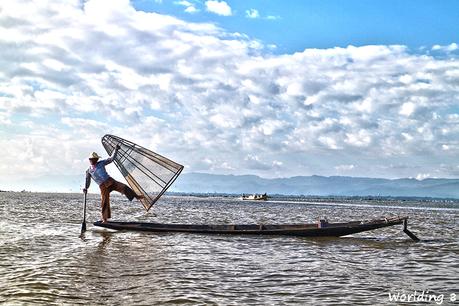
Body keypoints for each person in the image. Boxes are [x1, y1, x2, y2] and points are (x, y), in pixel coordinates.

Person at [83, 145, 143, 223]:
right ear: (90, 160)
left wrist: (116, 150)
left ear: (97, 159)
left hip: (110, 181)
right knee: (104, 201)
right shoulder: (88, 171)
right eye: (91, 159)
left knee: (124, 187)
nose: (93, 160)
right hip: (103, 186)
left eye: (95, 159)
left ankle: (136, 196)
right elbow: (88, 181)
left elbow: (111, 159)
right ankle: (104, 219)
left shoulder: (101, 163)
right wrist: (86, 188)